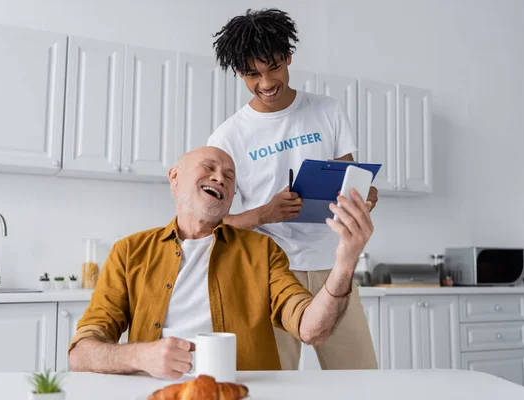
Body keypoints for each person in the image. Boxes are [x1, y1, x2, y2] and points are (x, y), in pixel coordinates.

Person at [68, 146, 375, 379]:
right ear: (174, 177)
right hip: (158, 392)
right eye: (209, 168)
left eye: (230, 176)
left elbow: (311, 329)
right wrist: (139, 357)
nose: (221, 178)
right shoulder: (130, 252)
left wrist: (345, 260)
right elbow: (81, 353)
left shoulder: (264, 250)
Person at [208, 8, 378, 370]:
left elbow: (349, 179)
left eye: (273, 68)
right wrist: (263, 214)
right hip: (269, 273)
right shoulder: (228, 136)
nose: (266, 82)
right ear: (239, 73)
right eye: (252, 74)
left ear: (288, 58)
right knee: (275, 385)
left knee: (361, 381)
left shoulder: (328, 111)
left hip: (335, 269)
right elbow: (210, 227)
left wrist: (363, 196)